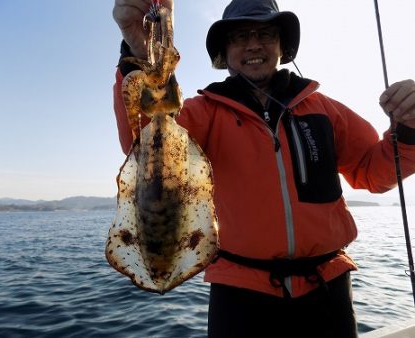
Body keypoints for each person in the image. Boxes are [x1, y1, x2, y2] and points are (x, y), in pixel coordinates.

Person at [112, 0, 415, 337]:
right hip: (240, 293)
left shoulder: (327, 110)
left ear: (282, 46)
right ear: (224, 53)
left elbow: (373, 173)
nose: (254, 44)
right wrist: (139, 48)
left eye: (265, 34)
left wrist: (410, 130)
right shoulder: (202, 114)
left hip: (327, 287)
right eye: (240, 36)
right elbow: (146, 139)